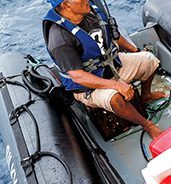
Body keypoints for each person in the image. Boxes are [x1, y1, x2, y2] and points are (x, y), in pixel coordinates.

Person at [43, 0, 164, 138]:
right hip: (88, 86)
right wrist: (117, 85)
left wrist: (135, 50)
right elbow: (78, 76)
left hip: (112, 65)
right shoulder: (59, 38)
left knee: (149, 60)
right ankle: (147, 125)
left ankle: (146, 96)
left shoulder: (90, 12)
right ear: (66, 5)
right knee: (115, 98)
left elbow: (113, 36)